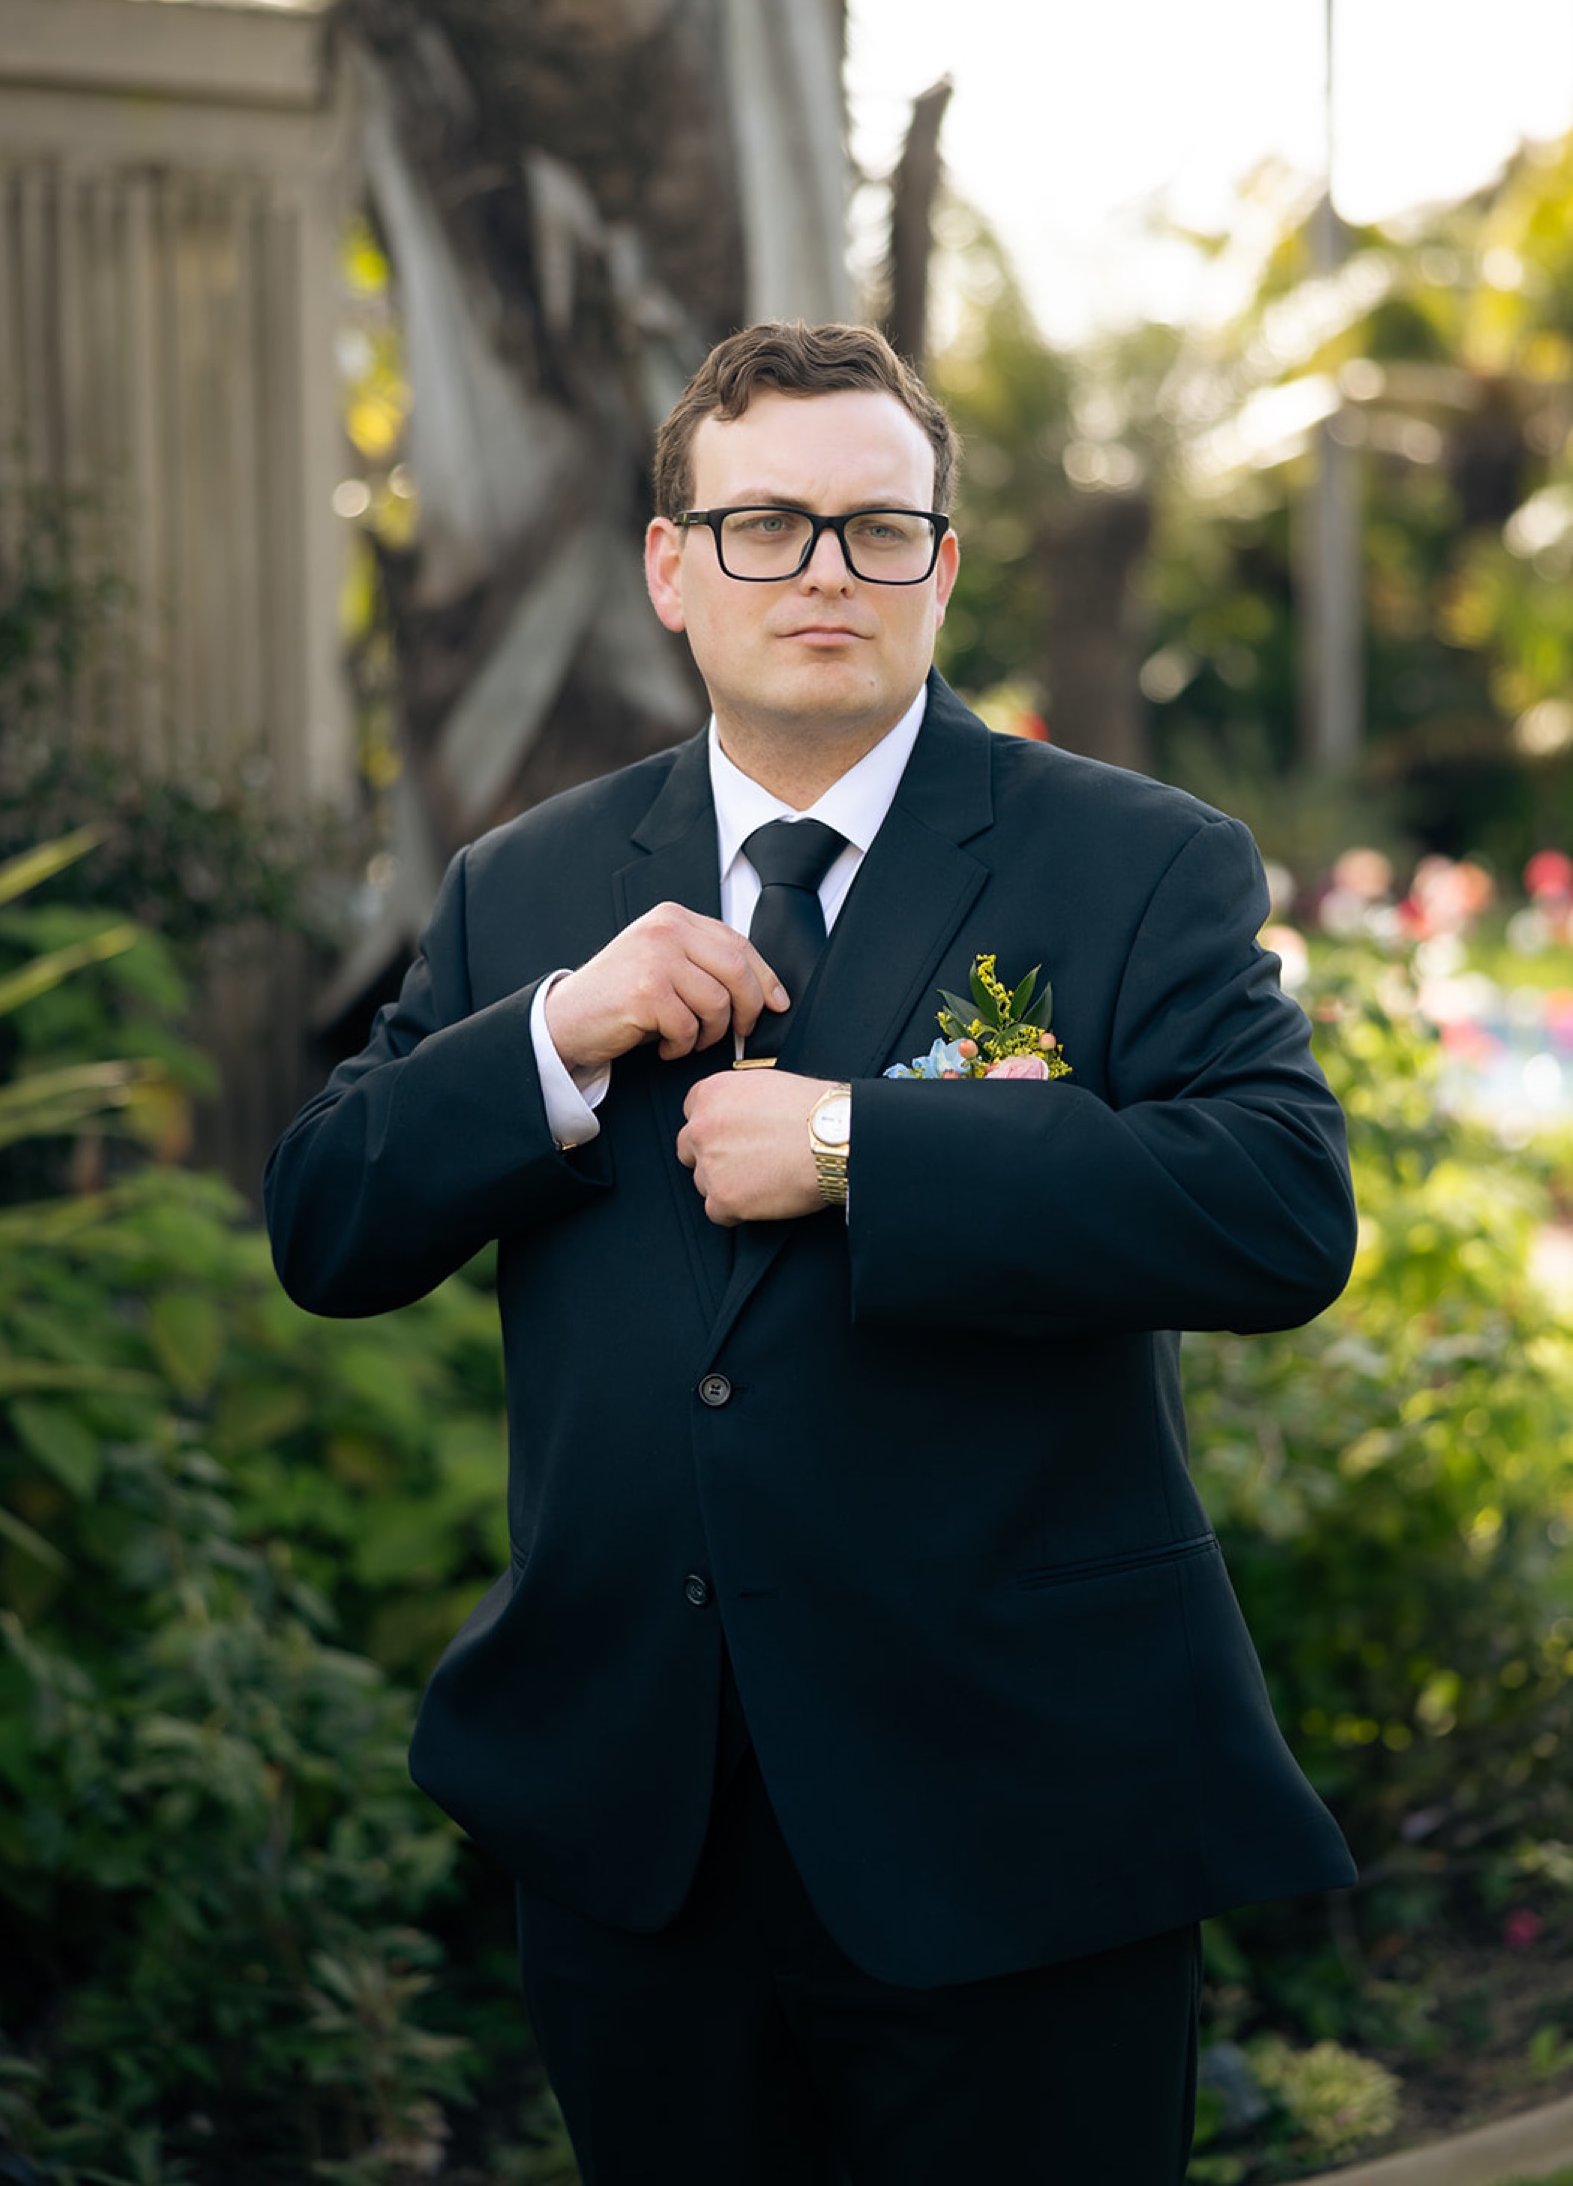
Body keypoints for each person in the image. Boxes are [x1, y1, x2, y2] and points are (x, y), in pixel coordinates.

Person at [265, 320, 1358, 2186]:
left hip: (1018, 1820)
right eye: (767, 524)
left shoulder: (1138, 862)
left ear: (945, 561)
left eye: (879, 528)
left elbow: (1276, 1204)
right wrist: (550, 1039)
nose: (827, 573)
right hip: (641, 1838)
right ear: (671, 566)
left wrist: (865, 1146)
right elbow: (328, 1227)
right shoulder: (521, 889)